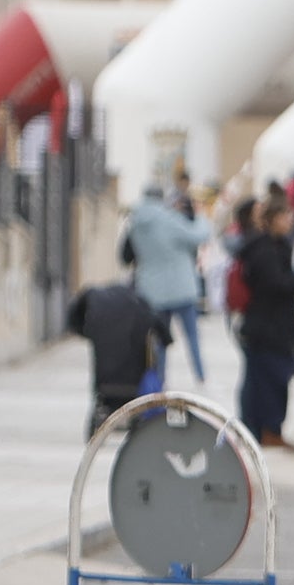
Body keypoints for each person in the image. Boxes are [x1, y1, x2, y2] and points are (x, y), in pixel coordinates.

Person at [230, 192, 294, 447]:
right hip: (265, 327)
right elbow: (276, 285)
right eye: (284, 215)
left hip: (277, 326)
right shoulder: (261, 250)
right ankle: (264, 430)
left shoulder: (279, 246)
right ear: (271, 219)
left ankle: (265, 430)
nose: (289, 220)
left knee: (270, 378)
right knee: (265, 381)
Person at [125, 181, 215, 383]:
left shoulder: (135, 222)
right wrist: (200, 216)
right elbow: (198, 236)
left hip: (151, 290)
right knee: (192, 337)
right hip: (180, 286)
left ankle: (160, 379)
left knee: (159, 339)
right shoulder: (168, 219)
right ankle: (200, 376)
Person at [64, 274, 159, 434]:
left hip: (105, 379)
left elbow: (72, 318)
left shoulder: (94, 297)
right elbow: (160, 326)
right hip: (133, 379)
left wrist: (87, 332)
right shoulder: (139, 303)